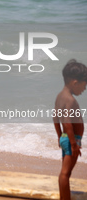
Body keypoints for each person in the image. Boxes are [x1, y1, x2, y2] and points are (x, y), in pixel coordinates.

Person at [53, 59, 86, 200]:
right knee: (65, 174)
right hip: (72, 140)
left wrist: (60, 136)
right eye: (84, 86)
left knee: (65, 172)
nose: (84, 89)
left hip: (66, 138)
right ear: (75, 83)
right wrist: (74, 145)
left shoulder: (60, 97)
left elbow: (55, 118)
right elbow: (67, 123)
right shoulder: (70, 100)